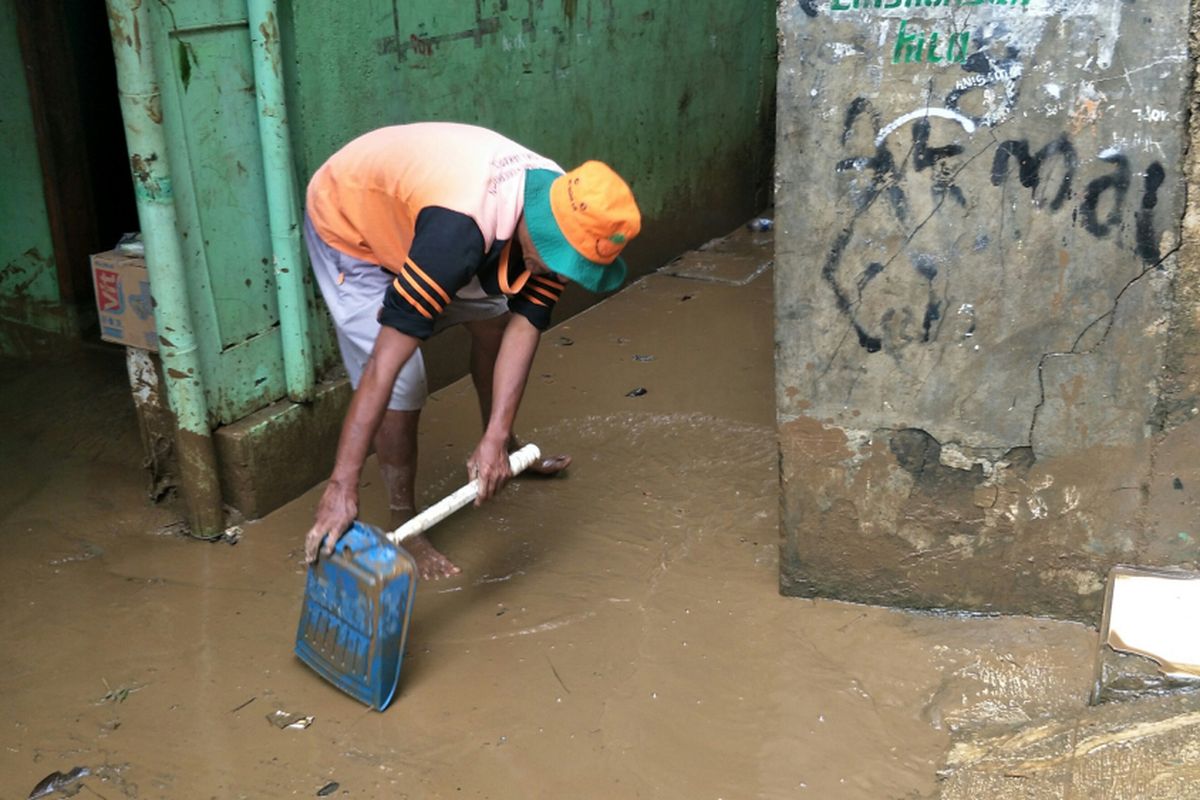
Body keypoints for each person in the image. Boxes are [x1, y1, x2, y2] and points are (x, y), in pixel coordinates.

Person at [301, 122, 641, 578]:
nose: (561, 273)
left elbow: (524, 326)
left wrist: (498, 437)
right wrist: (341, 485)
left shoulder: (568, 204)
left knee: (496, 328)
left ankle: (501, 448)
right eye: (559, 259)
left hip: (429, 211)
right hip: (352, 221)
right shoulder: (456, 236)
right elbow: (383, 367)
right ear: (537, 223)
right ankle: (406, 519)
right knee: (405, 381)